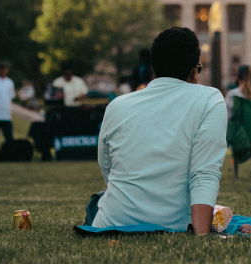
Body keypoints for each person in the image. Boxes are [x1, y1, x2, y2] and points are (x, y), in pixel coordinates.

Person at [91, 27, 227, 235]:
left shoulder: (117, 105)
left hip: (111, 223)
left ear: (154, 68)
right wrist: (202, 237)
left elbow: (107, 167)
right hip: (175, 226)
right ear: (193, 70)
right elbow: (204, 174)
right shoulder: (209, 99)